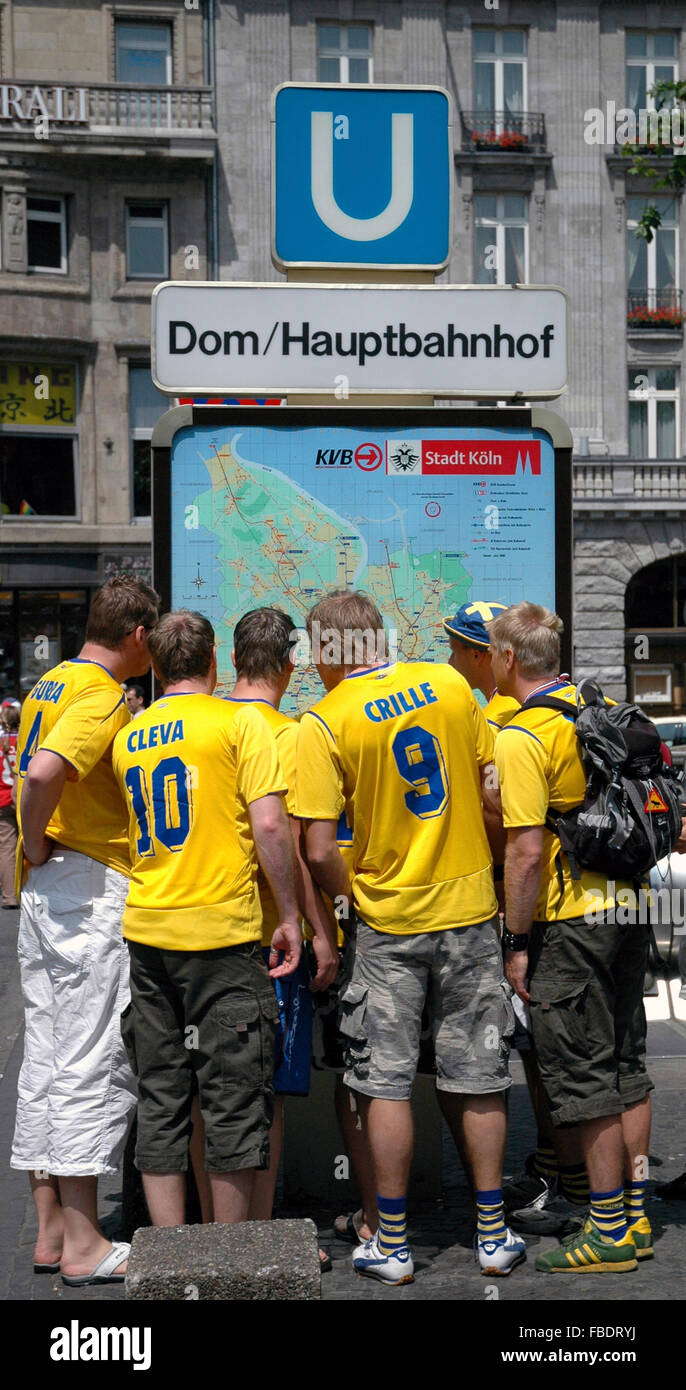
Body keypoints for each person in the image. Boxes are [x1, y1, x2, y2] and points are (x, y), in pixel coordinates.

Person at [295, 588, 525, 1286]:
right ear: (380, 636)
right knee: (479, 1075)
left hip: (390, 923)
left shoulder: (323, 720)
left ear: (327, 650)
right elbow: (491, 793)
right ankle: (492, 1232)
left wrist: (352, 891)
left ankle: (390, 1243)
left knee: (383, 1083)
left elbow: (316, 846)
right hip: (468, 911)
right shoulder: (450, 682)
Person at [112, 609, 301, 1227]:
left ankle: (170, 1249)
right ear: (214, 659)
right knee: (234, 1096)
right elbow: (270, 824)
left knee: (162, 1094)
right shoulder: (241, 721)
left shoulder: (129, 735)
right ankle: (232, 1251)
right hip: (221, 935)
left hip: (147, 932)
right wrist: (291, 915)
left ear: (158, 665)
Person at [491, 601, 653, 1272]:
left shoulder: (522, 735)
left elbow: (526, 851)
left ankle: (607, 1229)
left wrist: (517, 940)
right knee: (626, 1065)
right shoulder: (604, 706)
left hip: (574, 918)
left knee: (582, 1076)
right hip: (628, 904)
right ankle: (636, 1217)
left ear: (506, 659)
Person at [11, 575, 160, 1286]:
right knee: (87, 1059)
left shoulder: (49, 684)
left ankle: (49, 1234)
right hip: (84, 882)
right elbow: (42, 774)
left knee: (44, 1055)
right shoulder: (101, 696)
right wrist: (36, 840)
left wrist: (32, 854)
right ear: (138, 638)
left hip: (46, 891)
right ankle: (83, 1245)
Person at [444, 602, 589, 1233]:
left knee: (544, 1049)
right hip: (593, 903)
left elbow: (510, 826)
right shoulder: (568, 704)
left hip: (526, 904)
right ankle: (567, 1167)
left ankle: (566, 1175)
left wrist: (514, 929)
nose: (450, 661)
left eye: (458, 648)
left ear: (491, 656)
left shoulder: (508, 720)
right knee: (566, 1048)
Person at [223, 607, 338, 1257]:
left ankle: (216, 1230)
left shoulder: (212, 723)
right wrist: (318, 932)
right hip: (271, 937)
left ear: (234, 660)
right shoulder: (290, 734)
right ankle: (262, 1234)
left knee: (210, 1092)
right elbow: (292, 843)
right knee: (266, 1093)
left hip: (200, 931)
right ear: (291, 665)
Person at [443, 601, 519, 732]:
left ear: (476, 656)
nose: (450, 662)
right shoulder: (527, 700)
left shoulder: (491, 727)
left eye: (454, 653)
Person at [0, 699, 20, 908]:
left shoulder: (1, 742)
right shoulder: (25, 741)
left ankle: (9, 896)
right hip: (23, 797)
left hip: (3, 798)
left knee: (6, 848)